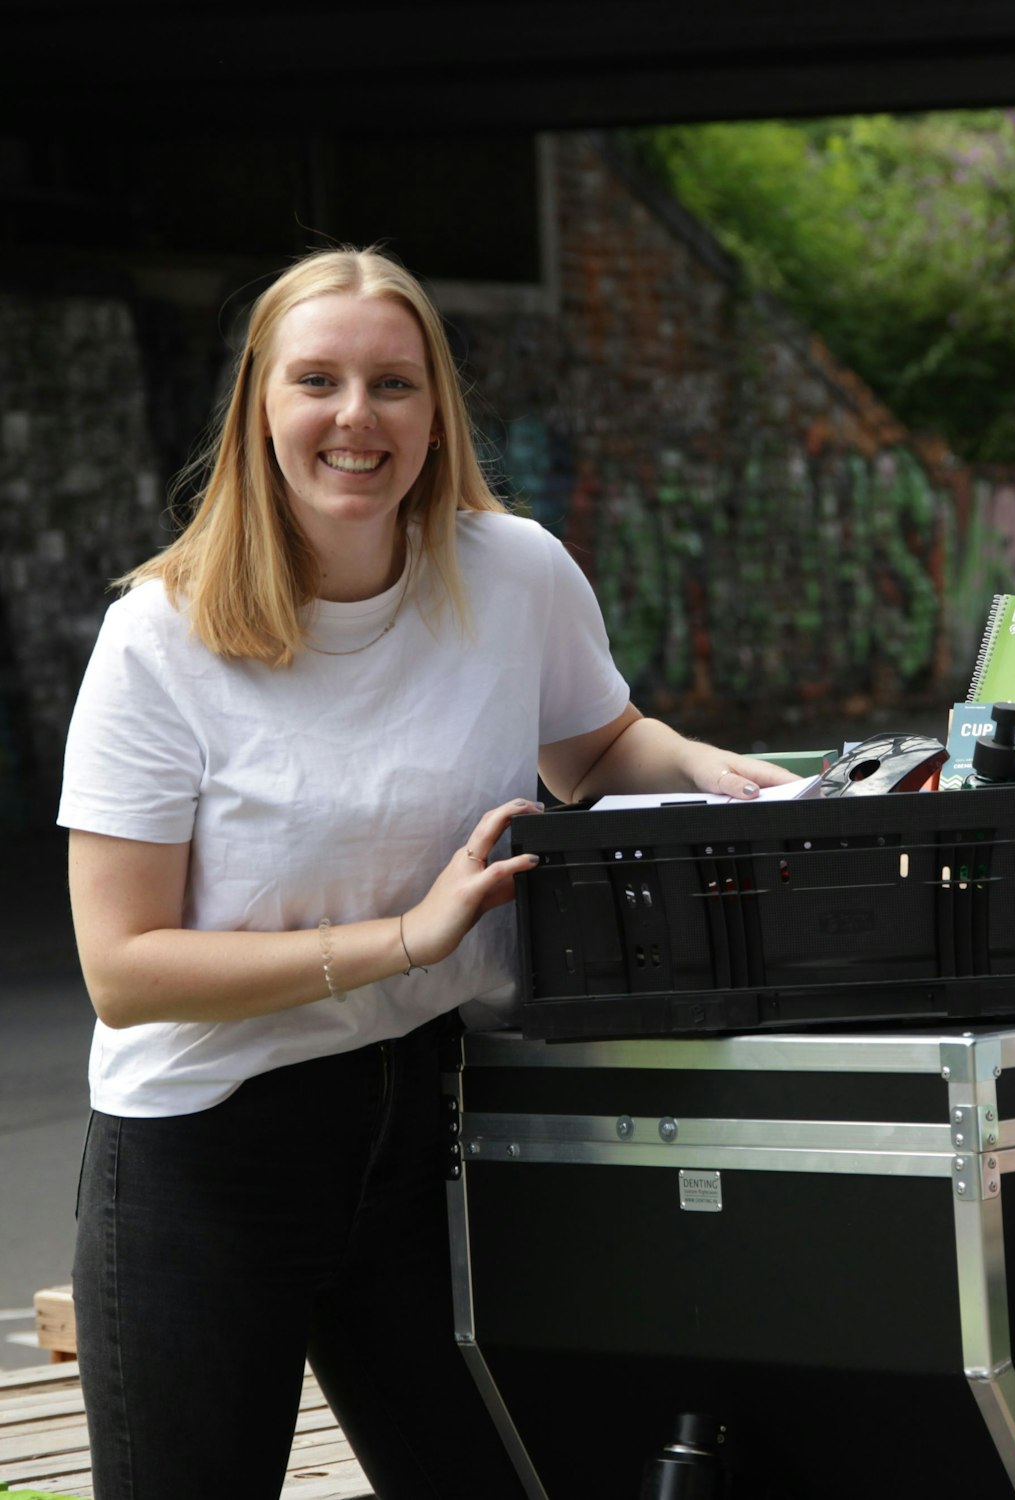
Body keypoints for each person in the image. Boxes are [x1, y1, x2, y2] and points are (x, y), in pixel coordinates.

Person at [58, 246, 793, 1500]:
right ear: (259, 408)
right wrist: (410, 935)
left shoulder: (513, 573)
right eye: (319, 381)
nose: (358, 418)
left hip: (437, 1123)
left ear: (438, 408)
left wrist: (727, 777)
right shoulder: (159, 639)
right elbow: (124, 972)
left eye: (394, 384)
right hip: (209, 1154)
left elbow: (599, 742)